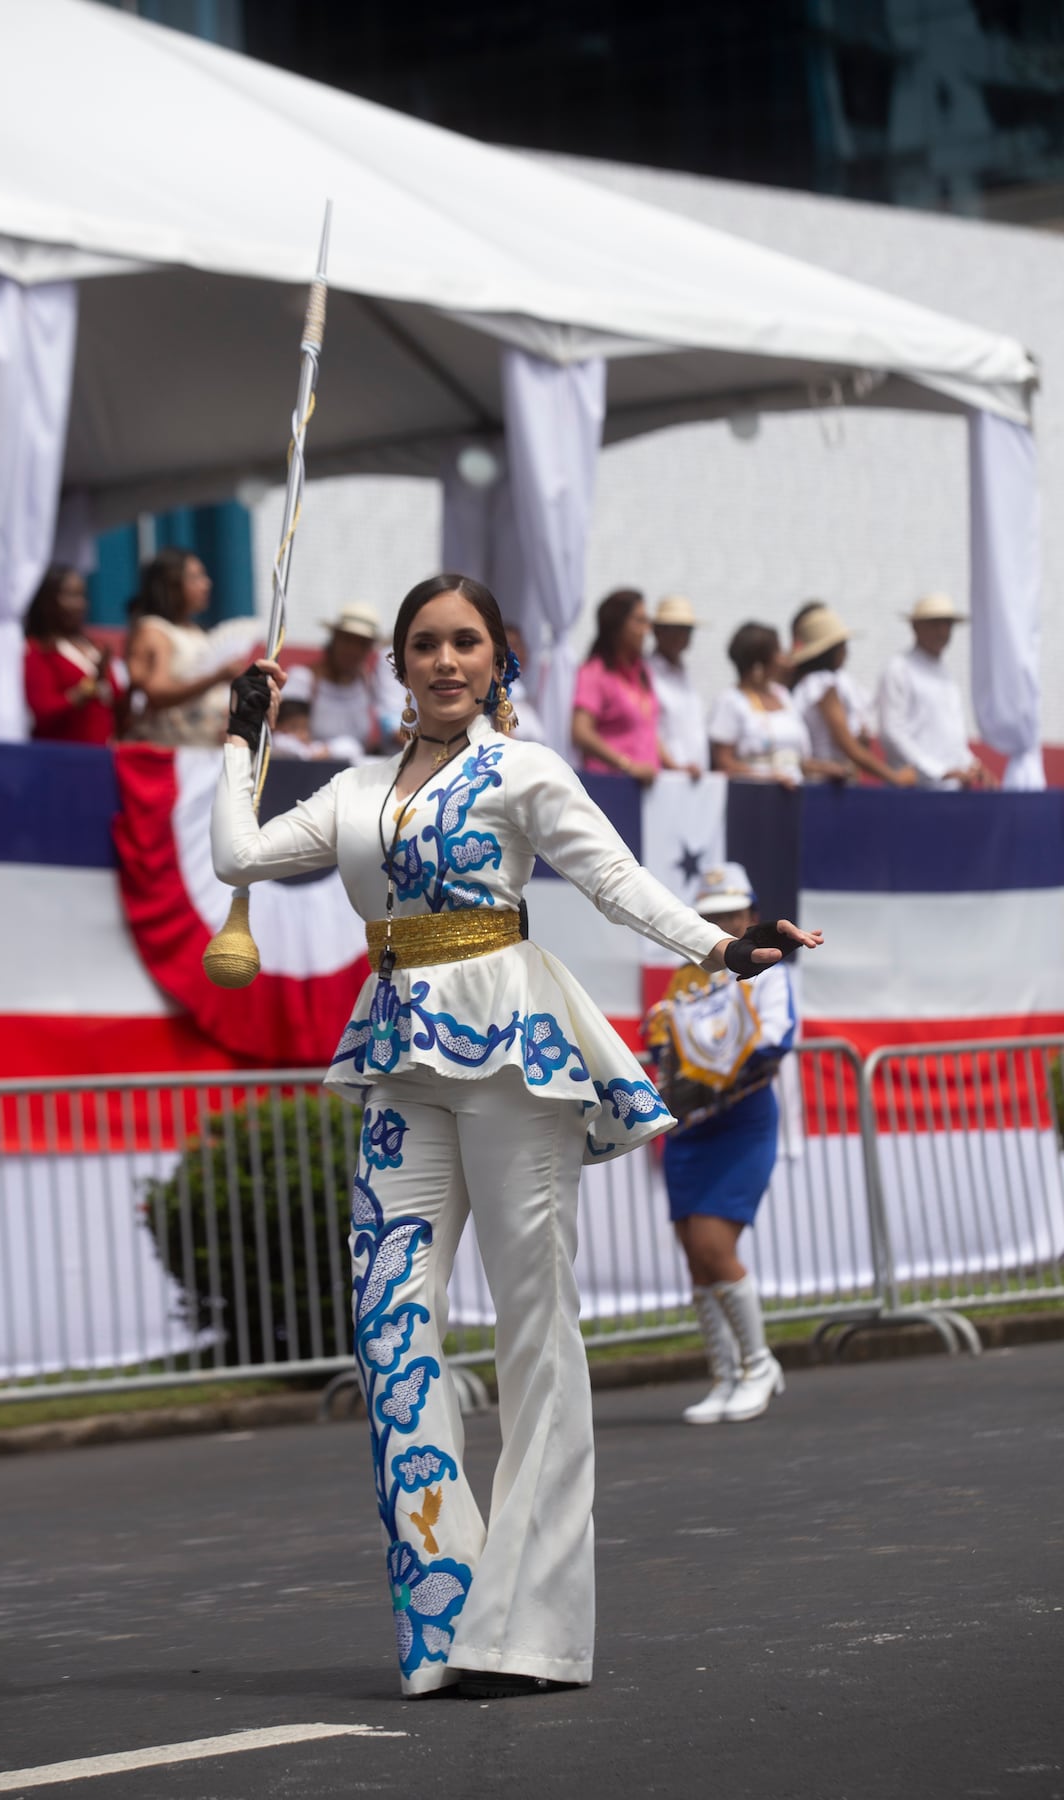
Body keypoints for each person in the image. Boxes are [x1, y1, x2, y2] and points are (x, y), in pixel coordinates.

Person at [212, 572, 821, 1701]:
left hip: (512, 1054)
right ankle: (446, 1614)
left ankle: (529, 1628)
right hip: (399, 1063)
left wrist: (722, 950)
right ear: (397, 666)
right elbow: (237, 858)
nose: (445, 661)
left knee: (536, 1333)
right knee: (390, 1334)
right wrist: (236, 744)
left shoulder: (527, 770)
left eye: (466, 643)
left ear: (500, 659)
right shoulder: (352, 792)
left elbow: (615, 881)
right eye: (425, 645)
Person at [649, 863, 796, 1425]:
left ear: (751, 916)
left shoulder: (770, 970)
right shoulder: (684, 978)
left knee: (714, 1245)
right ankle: (727, 1374)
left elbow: (773, 1040)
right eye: (711, 914)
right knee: (694, 1254)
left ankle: (759, 1366)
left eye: (732, 912)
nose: (723, 922)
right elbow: (664, 1045)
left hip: (741, 1120)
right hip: (690, 1129)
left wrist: (711, 1064)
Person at [124, 548, 248, 747]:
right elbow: (157, 692)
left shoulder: (197, 632)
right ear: (171, 585)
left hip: (206, 750)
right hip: (172, 754)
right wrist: (216, 677)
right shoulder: (154, 630)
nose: (206, 584)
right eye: (195, 578)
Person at [875, 593, 995, 790]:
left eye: (947, 624)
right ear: (915, 626)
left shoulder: (946, 675)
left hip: (949, 789)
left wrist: (972, 765)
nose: (942, 631)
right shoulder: (899, 669)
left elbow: (951, 738)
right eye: (935, 624)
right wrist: (936, 771)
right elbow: (892, 732)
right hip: (914, 791)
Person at [790, 605, 915, 787]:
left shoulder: (804, 686)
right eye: (842, 645)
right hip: (828, 782)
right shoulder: (824, 685)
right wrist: (893, 777)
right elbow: (847, 745)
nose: (847, 652)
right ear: (832, 650)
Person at [708, 622, 843, 787]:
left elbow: (795, 761)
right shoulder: (730, 701)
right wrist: (767, 778)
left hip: (792, 796)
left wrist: (826, 769)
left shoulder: (783, 695)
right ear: (759, 663)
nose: (783, 658)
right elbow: (724, 763)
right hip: (752, 798)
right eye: (777, 652)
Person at [24, 565, 127, 744]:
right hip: (63, 757)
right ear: (48, 601)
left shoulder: (94, 648)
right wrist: (89, 687)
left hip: (102, 756)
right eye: (71, 596)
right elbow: (43, 711)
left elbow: (116, 705)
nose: (80, 604)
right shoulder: (38, 650)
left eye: (82, 595)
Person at [571, 588, 660, 782]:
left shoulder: (643, 673)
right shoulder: (594, 673)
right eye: (639, 621)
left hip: (646, 789)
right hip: (610, 785)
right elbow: (581, 732)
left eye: (647, 621)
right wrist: (627, 765)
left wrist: (676, 766)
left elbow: (648, 731)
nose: (647, 630)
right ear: (616, 626)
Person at [306, 602, 402, 754]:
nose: (353, 650)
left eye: (362, 644)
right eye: (347, 640)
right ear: (334, 639)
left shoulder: (367, 682)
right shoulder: (304, 680)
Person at [648, 594, 707, 777]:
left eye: (687, 630)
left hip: (694, 775)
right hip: (664, 776)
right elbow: (648, 727)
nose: (683, 636)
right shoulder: (645, 673)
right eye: (676, 629)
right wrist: (673, 765)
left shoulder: (685, 675)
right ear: (658, 631)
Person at [267, 662, 364, 763]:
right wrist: (310, 755)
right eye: (293, 727)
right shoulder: (276, 744)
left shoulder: (314, 748)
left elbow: (353, 747)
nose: (301, 733)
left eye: (304, 728)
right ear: (277, 727)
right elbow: (284, 744)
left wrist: (329, 751)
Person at [502, 622, 547, 744]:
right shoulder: (501, 693)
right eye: (510, 646)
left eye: (519, 645)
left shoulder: (520, 691)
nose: (518, 652)